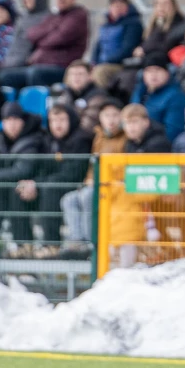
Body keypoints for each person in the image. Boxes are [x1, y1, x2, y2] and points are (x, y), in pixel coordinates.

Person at [24, 103, 94, 257]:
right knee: (20, 189)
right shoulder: (49, 141)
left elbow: (73, 173)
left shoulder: (81, 139)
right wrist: (32, 183)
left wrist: (39, 183)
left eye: (62, 120)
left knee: (51, 189)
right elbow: (43, 169)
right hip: (52, 183)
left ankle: (51, 245)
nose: (57, 125)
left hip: (77, 184)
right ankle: (23, 245)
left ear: (71, 120)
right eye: (53, 120)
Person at [59, 99, 127, 256]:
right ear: (100, 118)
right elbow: (93, 165)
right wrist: (89, 180)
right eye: (107, 115)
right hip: (96, 184)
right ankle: (78, 241)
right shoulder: (99, 137)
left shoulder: (125, 138)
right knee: (69, 199)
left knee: (88, 196)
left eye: (115, 115)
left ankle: (91, 244)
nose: (111, 120)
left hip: (114, 186)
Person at [0, 102, 48, 255]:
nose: (12, 124)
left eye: (16, 120)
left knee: (16, 190)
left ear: (23, 121)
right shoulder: (0, 140)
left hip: (38, 187)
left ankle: (24, 246)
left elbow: (23, 171)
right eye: (8, 120)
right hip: (12, 187)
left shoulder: (35, 137)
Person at [123, 0, 185, 85]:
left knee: (134, 76)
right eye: (157, 3)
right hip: (151, 61)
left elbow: (166, 45)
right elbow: (148, 42)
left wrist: (143, 49)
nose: (161, 7)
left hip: (166, 63)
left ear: (173, 5)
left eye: (165, 3)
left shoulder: (178, 23)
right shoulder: (156, 24)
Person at [0, 0, 49, 73]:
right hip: (11, 64)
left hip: (30, 67)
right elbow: (15, 47)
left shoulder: (49, 19)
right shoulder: (22, 19)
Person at [132, 63, 185, 138]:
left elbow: (173, 132)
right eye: (149, 71)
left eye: (158, 70)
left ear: (167, 73)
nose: (153, 75)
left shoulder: (176, 96)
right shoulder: (139, 93)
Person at [91, 0, 143, 70]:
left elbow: (127, 49)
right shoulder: (106, 25)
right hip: (103, 62)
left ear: (127, 7)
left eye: (120, 5)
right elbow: (98, 46)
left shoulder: (133, 24)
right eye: (114, 6)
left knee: (100, 72)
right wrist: (93, 62)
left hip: (119, 64)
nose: (117, 8)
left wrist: (106, 61)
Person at [52, 60, 107, 132]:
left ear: (90, 76)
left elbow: (88, 126)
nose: (76, 77)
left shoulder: (98, 96)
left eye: (80, 74)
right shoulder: (66, 93)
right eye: (72, 74)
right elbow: (56, 117)